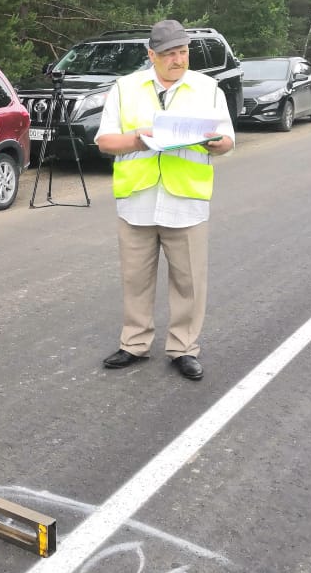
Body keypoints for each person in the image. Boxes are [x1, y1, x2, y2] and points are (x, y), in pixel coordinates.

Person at [95, 20, 235, 380]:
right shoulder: (125, 89)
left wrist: (216, 143)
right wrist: (138, 140)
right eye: (170, 54)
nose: (178, 60)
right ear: (151, 55)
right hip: (137, 199)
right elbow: (105, 142)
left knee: (189, 281)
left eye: (183, 52)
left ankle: (183, 348)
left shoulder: (208, 89)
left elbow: (227, 141)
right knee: (135, 279)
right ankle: (134, 343)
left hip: (186, 200)